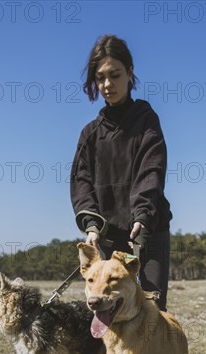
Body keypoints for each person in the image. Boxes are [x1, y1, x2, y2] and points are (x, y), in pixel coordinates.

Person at [70, 34, 172, 312]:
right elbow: (82, 182)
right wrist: (91, 225)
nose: (106, 85)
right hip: (109, 236)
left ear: (129, 73)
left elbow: (151, 169)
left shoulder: (145, 120)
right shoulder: (89, 134)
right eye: (100, 78)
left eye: (114, 75)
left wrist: (142, 215)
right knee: (111, 312)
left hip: (148, 230)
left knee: (152, 312)